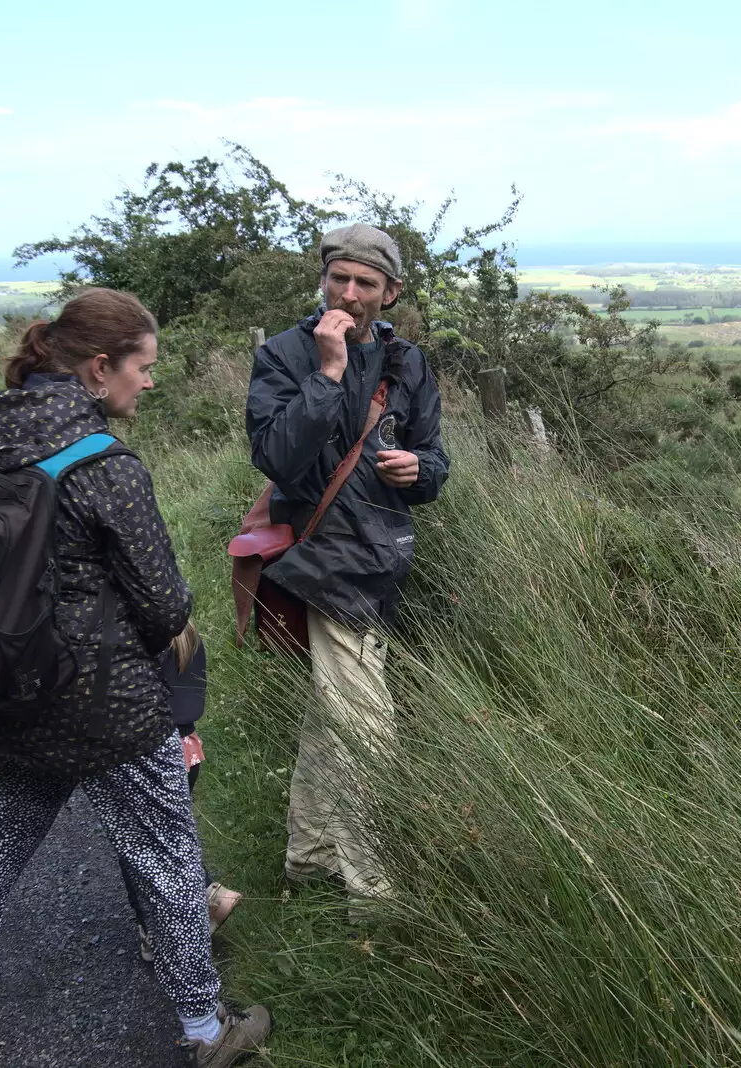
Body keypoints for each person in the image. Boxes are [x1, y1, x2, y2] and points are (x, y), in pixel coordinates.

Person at [0, 287, 269, 1068]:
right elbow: (166, 602)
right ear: (100, 368)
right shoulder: (101, 463)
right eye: (144, 366)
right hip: (107, 708)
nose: (150, 382)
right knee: (170, 861)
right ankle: (208, 1033)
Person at [244, 224, 450, 914]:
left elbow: (435, 462)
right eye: (340, 278)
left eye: (366, 283)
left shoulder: (408, 362)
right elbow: (278, 459)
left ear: (391, 292)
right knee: (368, 729)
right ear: (324, 280)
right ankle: (374, 892)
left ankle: (309, 857)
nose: (350, 293)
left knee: (331, 717)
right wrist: (327, 373)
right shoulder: (284, 355)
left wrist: (421, 469)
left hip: (382, 559)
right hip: (321, 561)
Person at [122, 619, 242, 962]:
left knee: (134, 843)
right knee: (172, 832)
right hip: (188, 750)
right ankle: (207, 895)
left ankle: (156, 928)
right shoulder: (184, 631)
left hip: (151, 754)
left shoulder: (132, 637)